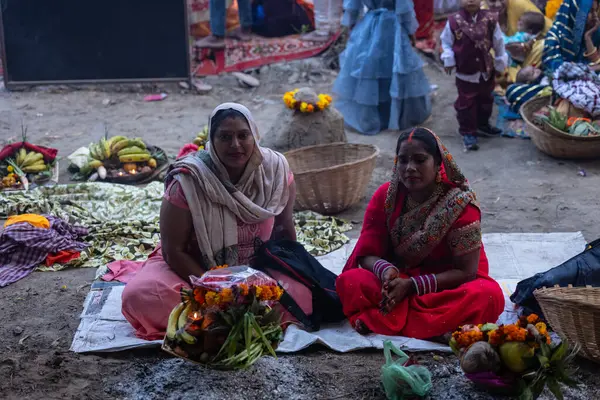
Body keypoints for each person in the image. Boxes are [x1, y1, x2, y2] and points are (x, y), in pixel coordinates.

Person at [122, 103, 297, 340]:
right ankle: (229, 316)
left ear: (254, 136)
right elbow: (174, 251)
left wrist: (291, 272)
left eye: (243, 135)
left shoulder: (275, 171)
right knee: (142, 296)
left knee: (303, 294)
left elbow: (285, 229)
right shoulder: (189, 181)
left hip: (258, 269)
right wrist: (219, 290)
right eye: (225, 137)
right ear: (212, 141)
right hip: (196, 270)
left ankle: (220, 321)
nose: (235, 145)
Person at [336, 128, 504, 339]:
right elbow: (366, 254)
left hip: (447, 284)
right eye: (403, 160)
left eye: (420, 160)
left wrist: (412, 286)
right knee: (350, 280)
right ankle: (438, 329)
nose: (410, 168)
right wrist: (387, 272)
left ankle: (382, 319)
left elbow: (466, 272)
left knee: (488, 295)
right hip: (398, 280)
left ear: (437, 163)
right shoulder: (386, 197)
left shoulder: (460, 204)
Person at [333, 0, 432, 135]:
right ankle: (399, 114)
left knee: (370, 69)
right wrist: (410, 31)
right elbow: (404, 9)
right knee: (395, 66)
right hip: (393, 27)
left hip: (369, 25)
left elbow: (352, 6)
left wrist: (352, 24)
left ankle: (373, 117)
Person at [440, 0, 509, 151]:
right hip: (466, 69)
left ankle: (483, 124)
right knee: (466, 102)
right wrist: (449, 57)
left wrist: (500, 60)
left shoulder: (491, 19)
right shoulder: (453, 21)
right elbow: (446, 42)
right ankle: (468, 132)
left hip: (485, 69)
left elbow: (498, 42)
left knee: (486, 98)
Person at [543, 0, 600, 72]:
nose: (595, 15)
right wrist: (588, 69)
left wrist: (587, 38)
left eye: (596, 10)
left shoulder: (595, 31)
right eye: (590, 11)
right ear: (576, 11)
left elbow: (597, 62)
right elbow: (556, 69)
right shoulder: (555, 35)